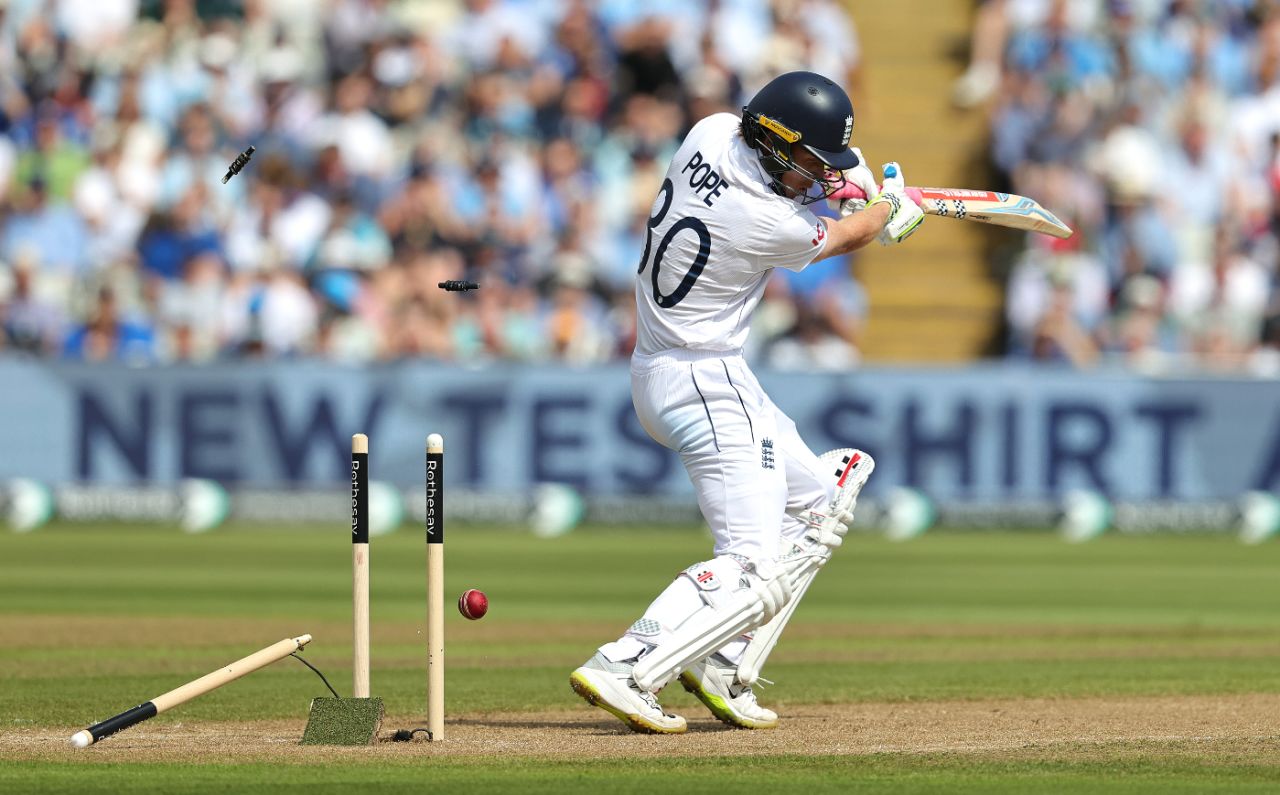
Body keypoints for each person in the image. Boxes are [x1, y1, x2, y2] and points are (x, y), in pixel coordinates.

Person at [569, 71, 924, 733]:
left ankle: (722, 660)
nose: (818, 178)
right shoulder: (766, 221)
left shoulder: (710, 133)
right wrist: (885, 210)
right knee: (752, 562)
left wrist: (849, 182)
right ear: (779, 146)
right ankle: (626, 662)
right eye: (812, 164)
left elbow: (811, 193)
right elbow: (842, 236)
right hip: (701, 378)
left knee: (819, 502)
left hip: (676, 365)